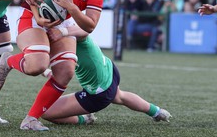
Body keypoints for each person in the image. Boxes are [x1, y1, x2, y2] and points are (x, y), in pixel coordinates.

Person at [0, 0, 105, 130]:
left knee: (66, 70)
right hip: (34, 15)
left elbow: (90, 25)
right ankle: (8, 61)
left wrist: (72, 8)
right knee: (37, 65)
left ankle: (30, 120)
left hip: (65, 20)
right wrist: (38, 17)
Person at [40, 24, 172, 125]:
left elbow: (85, 30)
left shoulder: (69, 32)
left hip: (98, 92)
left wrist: (63, 32)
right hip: (109, 71)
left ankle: (84, 119)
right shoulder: (67, 29)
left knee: (45, 111)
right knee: (119, 96)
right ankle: (156, 111)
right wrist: (46, 70)